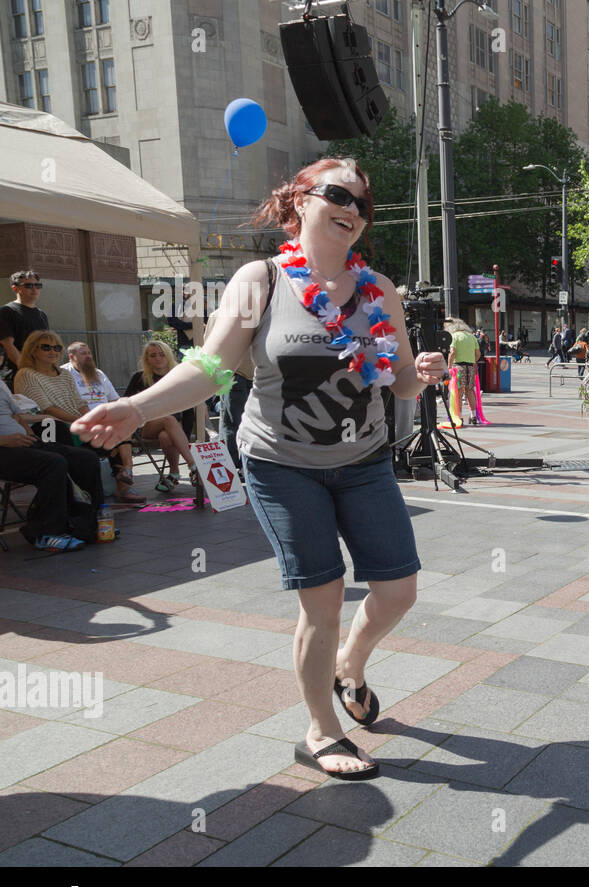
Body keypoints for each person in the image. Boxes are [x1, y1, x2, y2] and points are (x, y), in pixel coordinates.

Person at [73, 156, 449, 781]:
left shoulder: (377, 289)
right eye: (338, 195)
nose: (353, 210)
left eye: (363, 204)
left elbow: (399, 380)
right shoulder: (261, 280)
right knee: (322, 599)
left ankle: (350, 665)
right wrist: (136, 408)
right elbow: (211, 369)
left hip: (363, 460)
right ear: (299, 200)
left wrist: (422, 373)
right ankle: (322, 731)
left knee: (398, 590)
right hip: (282, 464)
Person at [15, 330, 144, 503]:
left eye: (56, 347)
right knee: (58, 427)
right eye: (46, 347)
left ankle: (124, 480)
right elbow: (47, 408)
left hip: (72, 422)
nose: (52, 351)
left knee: (115, 425)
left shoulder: (64, 374)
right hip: (46, 427)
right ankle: (79, 496)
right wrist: (81, 421)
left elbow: (79, 403)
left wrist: (94, 419)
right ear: (32, 350)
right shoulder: (26, 374)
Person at [0, 379, 103, 551]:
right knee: (53, 463)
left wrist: (33, 438)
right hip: (3, 449)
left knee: (85, 458)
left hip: (21, 443)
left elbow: (16, 417)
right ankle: (46, 532)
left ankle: (86, 524)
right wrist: (5, 440)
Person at [61, 341, 144, 491]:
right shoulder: (64, 374)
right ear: (71, 357)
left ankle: (126, 472)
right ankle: (125, 480)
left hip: (107, 418)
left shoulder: (98, 373)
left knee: (122, 423)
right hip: (83, 421)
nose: (88, 356)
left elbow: (114, 399)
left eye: (89, 353)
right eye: (83, 354)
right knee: (118, 436)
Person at [125, 341, 198, 492]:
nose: (158, 358)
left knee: (166, 435)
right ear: (147, 359)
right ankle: (194, 465)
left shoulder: (178, 376)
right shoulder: (140, 377)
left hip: (173, 427)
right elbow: (126, 402)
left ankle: (174, 473)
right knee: (168, 419)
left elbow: (190, 409)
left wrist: (183, 433)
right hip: (146, 426)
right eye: (153, 355)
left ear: (168, 355)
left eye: (161, 354)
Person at [0, 270, 50, 389]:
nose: (34, 289)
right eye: (28, 285)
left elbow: (47, 345)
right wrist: (28, 371)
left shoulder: (41, 314)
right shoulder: (6, 312)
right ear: (15, 288)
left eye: (37, 285)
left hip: (40, 377)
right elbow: (8, 346)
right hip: (15, 377)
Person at [447, 317, 481, 426]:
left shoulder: (454, 336)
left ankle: (459, 417)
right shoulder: (471, 336)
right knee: (470, 391)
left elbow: (452, 353)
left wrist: (449, 366)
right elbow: (478, 354)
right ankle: (473, 416)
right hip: (470, 367)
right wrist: (472, 360)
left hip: (458, 367)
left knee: (459, 392)